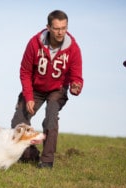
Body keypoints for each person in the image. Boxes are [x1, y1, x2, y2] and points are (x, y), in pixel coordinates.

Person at [11, 10, 83, 169]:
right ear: (48, 27)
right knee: (18, 121)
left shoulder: (73, 49)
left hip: (57, 90)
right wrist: (28, 96)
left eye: (64, 28)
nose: (60, 32)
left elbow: (76, 77)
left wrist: (76, 87)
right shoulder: (34, 43)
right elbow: (25, 71)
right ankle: (29, 154)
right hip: (35, 88)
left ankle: (47, 161)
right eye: (57, 28)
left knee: (51, 115)